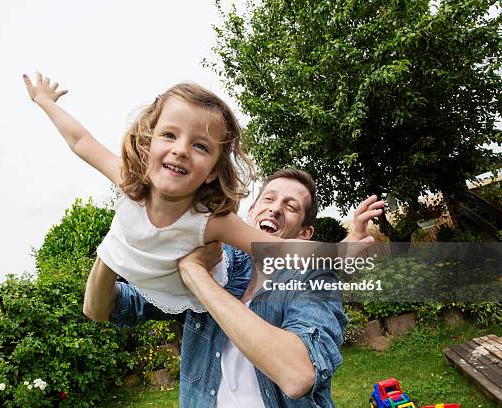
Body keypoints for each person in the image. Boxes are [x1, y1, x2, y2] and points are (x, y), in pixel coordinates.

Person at [23, 72, 375, 315]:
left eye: (201, 146)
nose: (180, 150)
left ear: (211, 173)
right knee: (99, 308)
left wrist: (341, 251)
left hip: (211, 290)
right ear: (149, 141)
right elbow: (82, 141)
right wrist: (45, 101)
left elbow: (279, 247)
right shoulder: (131, 183)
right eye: (170, 135)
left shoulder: (209, 222)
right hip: (154, 285)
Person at [85, 168, 384, 406]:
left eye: (290, 207)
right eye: (268, 199)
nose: (275, 209)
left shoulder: (311, 281)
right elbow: (102, 308)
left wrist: (195, 273)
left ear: (304, 234)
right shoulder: (217, 261)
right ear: (251, 211)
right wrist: (118, 240)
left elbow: (297, 375)